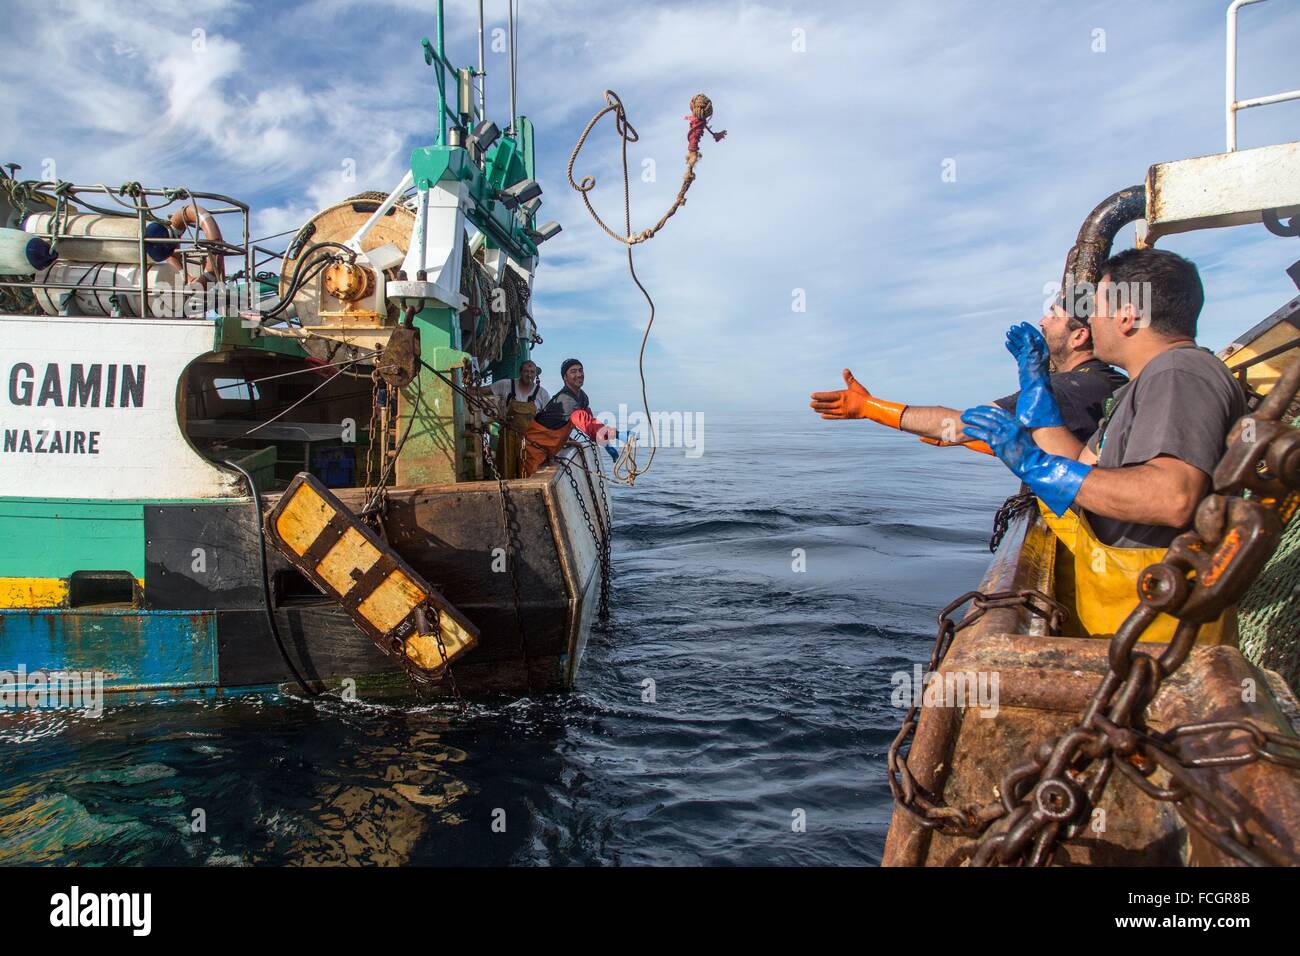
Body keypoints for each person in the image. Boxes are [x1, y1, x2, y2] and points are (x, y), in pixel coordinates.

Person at [960, 248, 1248, 642]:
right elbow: (1080, 464)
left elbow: (1172, 496)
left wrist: (1038, 467)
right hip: (1129, 617)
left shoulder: (1179, 373)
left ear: (1128, 315)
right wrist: (1035, 390)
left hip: (1162, 633)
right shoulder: (1141, 385)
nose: (1092, 321)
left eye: (1097, 308)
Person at [809, 303, 1126, 449]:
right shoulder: (1102, 382)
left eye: (1054, 315)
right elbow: (1021, 440)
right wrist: (960, 439)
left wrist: (868, 408)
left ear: (1079, 336)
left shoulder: (1071, 387)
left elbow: (963, 425)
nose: (1042, 321)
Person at [521, 358, 618, 477]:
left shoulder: (582, 396)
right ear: (565, 377)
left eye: (580, 370)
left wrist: (605, 443)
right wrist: (617, 434)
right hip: (534, 449)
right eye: (573, 371)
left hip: (550, 448)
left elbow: (591, 422)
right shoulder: (566, 400)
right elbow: (587, 425)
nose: (579, 374)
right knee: (530, 481)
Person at [472, 360, 550, 478]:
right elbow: (482, 391)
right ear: (520, 372)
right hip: (508, 439)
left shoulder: (542, 394)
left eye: (532, 372)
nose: (529, 375)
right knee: (505, 472)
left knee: (528, 473)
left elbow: (548, 419)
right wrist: (461, 388)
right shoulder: (505, 385)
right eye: (526, 371)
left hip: (530, 441)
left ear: (535, 375)